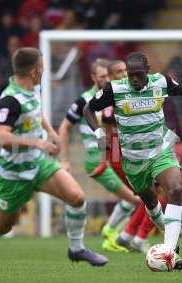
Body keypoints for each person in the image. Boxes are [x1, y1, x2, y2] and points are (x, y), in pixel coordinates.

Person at [0, 47, 108, 277]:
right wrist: (38, 143)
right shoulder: (11, 100)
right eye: (43, 66)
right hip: (13, 174)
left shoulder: (33, 88)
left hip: (37, 164)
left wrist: (51, 133)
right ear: (36, 71)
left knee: (76, 197)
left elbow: (36, 114)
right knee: (3, 225)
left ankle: (76, 249)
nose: (45, 69)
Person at [84, 51, 182, 270]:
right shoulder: (115, 89)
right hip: (133, 160)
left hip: (159, 152)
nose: (134, 80)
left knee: (175, 188)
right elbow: (88, 109)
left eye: (139, 75)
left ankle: (169, 252)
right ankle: (166, 246)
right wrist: (99, 134)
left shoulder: (161, 82)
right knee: (151, 203)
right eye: (131, 75)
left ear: (147, 71)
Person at [58, 59, 140, 253]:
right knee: (137, 199)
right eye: (101, 76)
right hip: (96, 156)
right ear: (94, 78)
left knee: (138, 196)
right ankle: (114, 234)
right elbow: (64, 127)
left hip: (117, 151)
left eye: (107, 76)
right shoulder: (85, 100)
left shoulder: (117, 94)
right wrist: (65, 160)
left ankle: (116, 234)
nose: (105, 79)